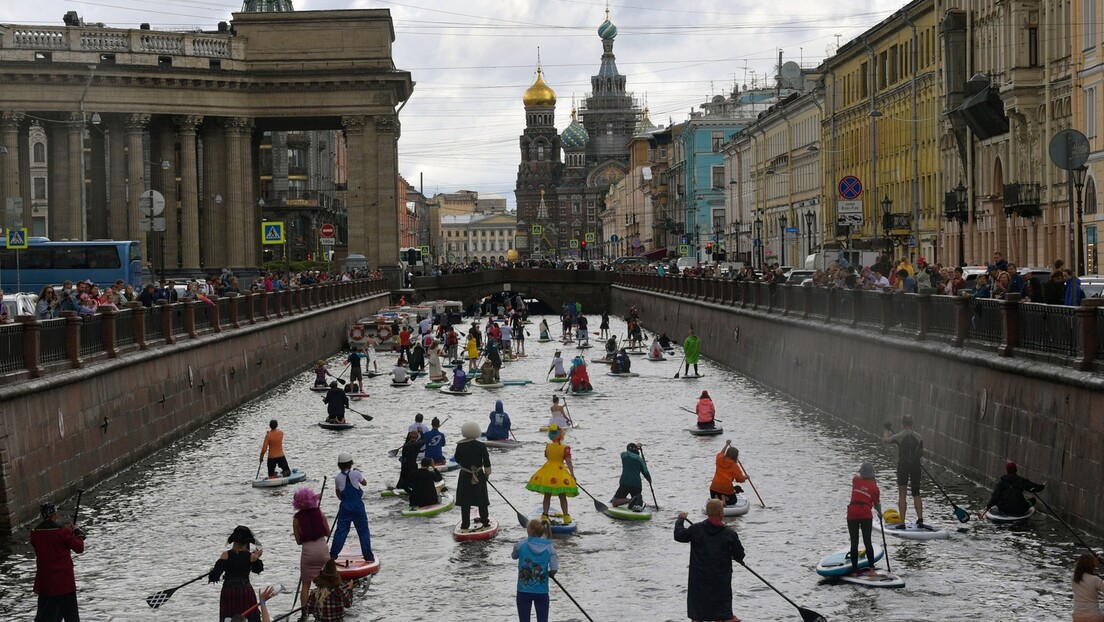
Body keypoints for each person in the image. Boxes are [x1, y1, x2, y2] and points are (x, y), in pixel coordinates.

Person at [673, 499, 746, 622]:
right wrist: (736, 557)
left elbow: (679, 536)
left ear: (707, 513)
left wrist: (680, 520)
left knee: (698, 614)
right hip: (720, 581)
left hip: (699, 580)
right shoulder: (729, 534)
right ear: (721, 513)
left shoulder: (695, 529)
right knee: (724, 613)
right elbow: (740, 555)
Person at [30, 502, 85, 622]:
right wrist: (76, 531)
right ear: (54, 514)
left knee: (46, 616)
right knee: (71, 616)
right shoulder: (63, 532)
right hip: (65, 582)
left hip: (46, 583)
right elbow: (79, 548)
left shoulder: (34, 533)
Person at [209, 525, 265, 622]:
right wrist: (256, 557)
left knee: (228, 617)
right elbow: (258, 570)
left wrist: (213, 570)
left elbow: (214, 576)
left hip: (229, 592)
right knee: (250, 617)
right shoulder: (251, 556)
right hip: (245, 592)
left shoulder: (225, 555)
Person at [526, 425, 578, 524]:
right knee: (562, 496)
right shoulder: (565, 448)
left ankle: (544, 515)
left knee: (547, 495)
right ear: (561, 435)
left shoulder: (548, 446)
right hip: (560, 472)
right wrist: (572, 474)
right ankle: (566, 516)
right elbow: (568, 461)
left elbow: (547, 456)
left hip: (547, 471)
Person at [329, 453, 374, 562]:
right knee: (363, 531)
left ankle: (333, 555)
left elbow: (338, 494)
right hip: (358, 507)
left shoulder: (338, 478)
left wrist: (345, 501)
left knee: (341, 532)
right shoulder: (356, 473)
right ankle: (368, 556)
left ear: (339, 465)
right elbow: (364, 483)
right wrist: (358, 472)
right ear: (351, 463)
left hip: (345, 507)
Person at [512, 518, 559, 622]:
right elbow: (554, 568)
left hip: (523, 591)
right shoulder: (549, 547)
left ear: (529, 530)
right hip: (541, 592)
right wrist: (550, 573)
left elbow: (514, 556)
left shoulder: (521, 544)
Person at [292, 486, 331, 608]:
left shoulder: (296, 519)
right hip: (322, 550)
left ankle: (304, 611)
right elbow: (328, 533)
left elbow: (298, 541)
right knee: (326, 582)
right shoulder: (320, 513)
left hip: (308, 552)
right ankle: (325, 607)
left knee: (305, 585)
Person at [883, 414, 924, 526]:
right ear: (912, 424)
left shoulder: (898, 436)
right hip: (916, 466)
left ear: (902, 423)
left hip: (903, 466)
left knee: (902, 494)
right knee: (916, 493)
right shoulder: (919, 437)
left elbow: (886, 440)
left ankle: (902, 521)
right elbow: (921, 454)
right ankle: (920, 519)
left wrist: (887, 429)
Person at [454, 421, 492, 532]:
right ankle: (485, 522)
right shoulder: (481, 445)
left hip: (465, 474)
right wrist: (486, 474)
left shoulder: (460, 445)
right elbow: (486, 461)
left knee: (465, 500)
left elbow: (457, 459)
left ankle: (465, 524)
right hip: (479, 475)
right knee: (482, 499)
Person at [847, 462, 882, 576]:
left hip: (852, 513)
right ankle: (872, 570)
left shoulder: (855, 480)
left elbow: (861, 483)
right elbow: (877, 504)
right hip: (865, 514)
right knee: (867, 542)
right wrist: (880, 514)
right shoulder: (875, 488)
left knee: (854, 543)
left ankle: (854, 571)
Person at [978, 462, 1045, 520]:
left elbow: (995, 497)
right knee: (1033, 500)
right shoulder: (1021, 480)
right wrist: (1042, 486)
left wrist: (988, 506)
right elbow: (1035, 487)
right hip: (1020, 508)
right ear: (1016, 470)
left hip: (1004, 508)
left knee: (998, 500)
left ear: (1007, 470)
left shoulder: (1001, 483)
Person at [611, 443, 651, 510]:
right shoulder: (640, 460)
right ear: (637, 450)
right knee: (636, 503)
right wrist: (649, 480)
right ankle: (636, 501)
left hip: (625, 483)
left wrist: (635, 446)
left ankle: (630, 500)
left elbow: (629, 452)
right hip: (637, 485)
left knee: (614, 502)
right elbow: (645, 472)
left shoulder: (624, 455)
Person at [709, 440, 746, 505]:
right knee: (733, 500)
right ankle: (724, 499)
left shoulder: (719, 459)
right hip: (726, 489)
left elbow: (721, 453)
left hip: (714, 488)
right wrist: (746, 477)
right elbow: (740, 479)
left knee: (714, 497)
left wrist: (726, 445)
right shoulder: (734, 466)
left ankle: (718, 498)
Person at [1072, 553, 1104, 622]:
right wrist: (1095, 564)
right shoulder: (1095, 579)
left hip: (1077, 618)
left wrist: (1094, 563)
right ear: (1092, 564)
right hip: (1094, 618)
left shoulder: (1074, 578)